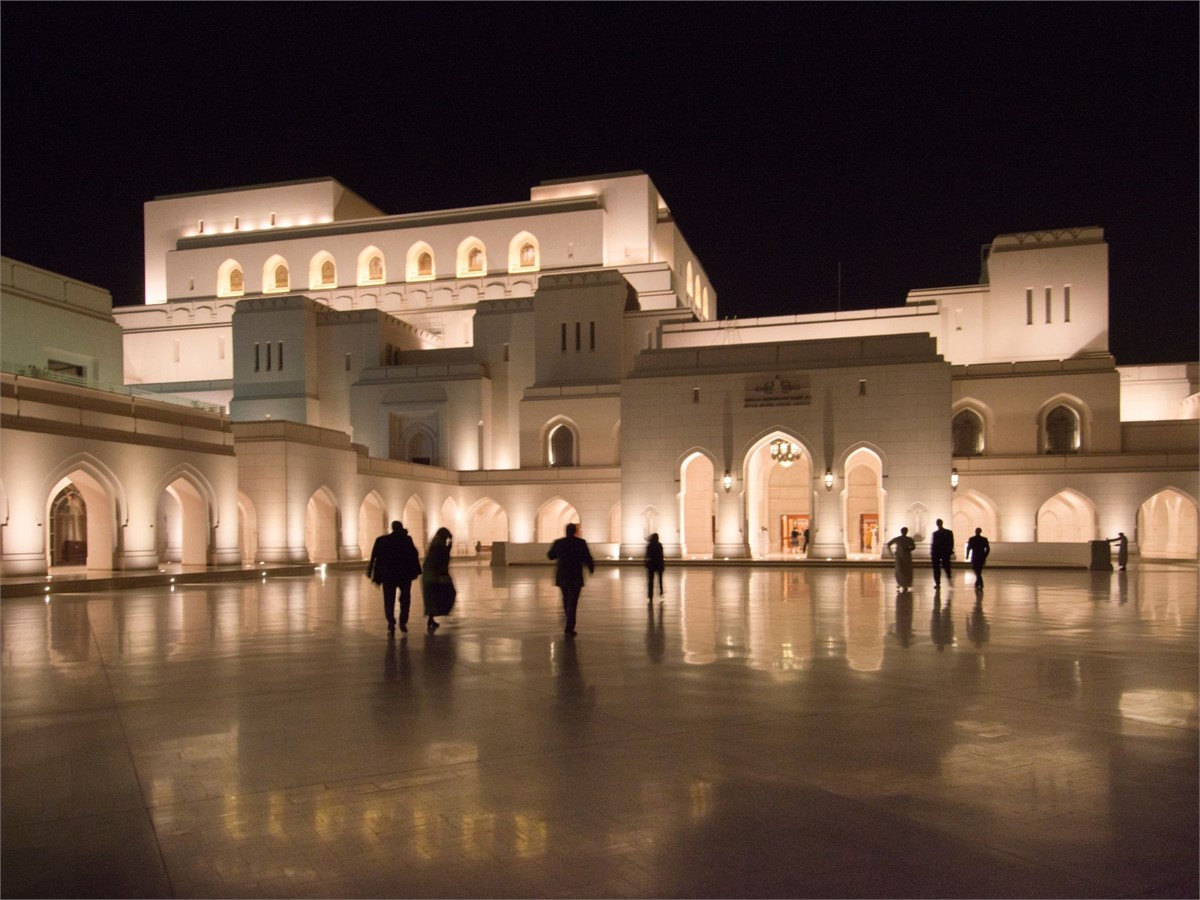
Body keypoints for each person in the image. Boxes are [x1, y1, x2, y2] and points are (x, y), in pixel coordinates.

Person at [366, 521, 422, 635]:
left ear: (392, 528)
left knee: (389, 599)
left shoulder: (382, 540)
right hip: (404, 574)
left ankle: (391, 622)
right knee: (405, 598)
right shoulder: (406, 540)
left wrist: (371, 569)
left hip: (389, 575)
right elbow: (415, 553)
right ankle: (403, 621)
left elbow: (374, 556)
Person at [548, 522, 594, 636]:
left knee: (565, 598)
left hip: (563, 575)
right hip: (575, 576)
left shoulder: (559, 543)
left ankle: (568, 615)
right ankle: (569, 626)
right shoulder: (580, 543)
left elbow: (550, 555)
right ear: (575, 531)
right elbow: (587, 557)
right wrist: (591, 568)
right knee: (573, 601)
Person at [421, 527, 454, 632]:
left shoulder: (436, 542)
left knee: (432, 598)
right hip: (435, 575)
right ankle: (437, 615)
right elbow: (443, 558)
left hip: (430, 575)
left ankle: (431, 619)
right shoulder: (438, 544)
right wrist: (449, 545)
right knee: (449, 593)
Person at [886, 526, 916, 591]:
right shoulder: (898, 539)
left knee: (906, 571)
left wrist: (908, 549)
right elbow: (888, 544)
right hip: (900, 557)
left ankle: (906, 584)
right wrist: (891, 553)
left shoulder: (909, 539)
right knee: (899, 570)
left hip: (906, 557)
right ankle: (900, 583)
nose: (904, 532)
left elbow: (913, 547)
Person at [930, 518, 955, 588]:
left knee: (942, 567)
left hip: (942, 552)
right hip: (941, 553)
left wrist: (949, 550)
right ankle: (939, 582)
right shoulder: (947, 532)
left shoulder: (938, 533)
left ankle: (942, 580)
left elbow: (951, 542)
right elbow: (934, 544)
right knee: (940, 568)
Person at [644, 533, 665, 601]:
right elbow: (661, 556)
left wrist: (646, 562)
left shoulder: (650, 545)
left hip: (651, 565)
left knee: (651, 581)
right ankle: (661, 592)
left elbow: (647, 555)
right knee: (660, 580)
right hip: (659, 564)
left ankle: (650, 595)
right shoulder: (659, 545)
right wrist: (662, 565)